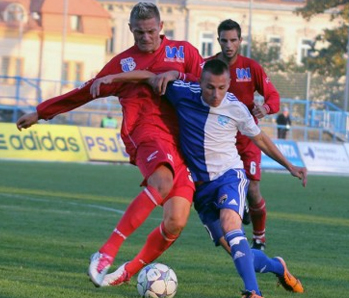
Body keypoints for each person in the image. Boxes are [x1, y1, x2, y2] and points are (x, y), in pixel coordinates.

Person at [16, 2, 203, 288]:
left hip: (182, 142)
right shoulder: (122, 63)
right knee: (162, 182)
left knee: (176, 221)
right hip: (146, 132)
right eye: (139, 32)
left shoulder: (184, 52)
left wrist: (178, 75)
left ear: (161, 27)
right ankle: (106, 252)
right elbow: (85, 91)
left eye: (151, 31)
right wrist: (41, 112)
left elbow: (206, 83)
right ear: (130, 30)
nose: (146, 37)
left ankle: (126, 272)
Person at [98, 60, 306, 297]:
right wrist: (112, 78)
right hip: (201, 188)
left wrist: (289, 165)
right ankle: (278, 266)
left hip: (229, 176)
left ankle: (253, 292)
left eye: (221, 88)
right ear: (200, 82)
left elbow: (260, 139)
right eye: (209, 87)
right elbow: (148, 76)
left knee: (231, 226)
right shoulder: (183, 92)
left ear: (228, 84)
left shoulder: (236, 108)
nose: (215, 94)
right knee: (241, 254)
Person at [206, 19, 281, 250]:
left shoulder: (251, 67)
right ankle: (226, 221)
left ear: (240, 41)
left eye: (233, 40)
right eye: (224, 40)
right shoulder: (207, 65)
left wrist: (265, 108)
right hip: (218, 139)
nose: (229, 45)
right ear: (218, 40)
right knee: (212, 187)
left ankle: (259, 238)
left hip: (246, 139)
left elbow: (273, 98)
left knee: (254, 189)